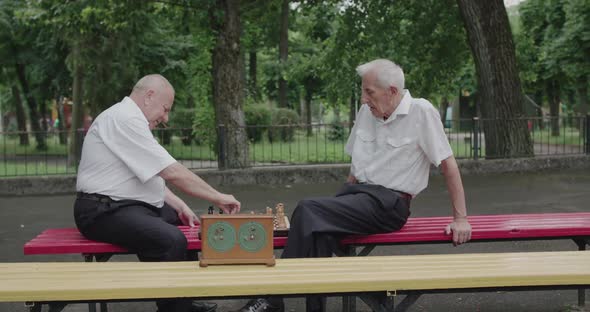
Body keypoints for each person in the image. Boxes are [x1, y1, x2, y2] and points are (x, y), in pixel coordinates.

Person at [233, 59, 472, 312]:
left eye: (369, 92)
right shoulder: (366, 113)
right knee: (319, 232)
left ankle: (271, 298)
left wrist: (461, 218)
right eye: (363, 90)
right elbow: (355, 169)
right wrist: (335, 205)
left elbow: (449, 165)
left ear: (391, 91)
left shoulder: (421, 112)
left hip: (389, 204)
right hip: (357, 196)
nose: (363, 99)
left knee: (307, 209)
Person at [74, 74, 241, 312]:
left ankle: (184, 298)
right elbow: (171, 171)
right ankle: (173, 307)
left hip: (122, 205)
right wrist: (218, 197)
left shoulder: (130, 119)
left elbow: (150, 176)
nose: (166, 118)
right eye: (165, 109)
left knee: (187, 226)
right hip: (99, 211)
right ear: (149, 96)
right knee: (171, 240)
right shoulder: (123, 118)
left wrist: (180, 205)